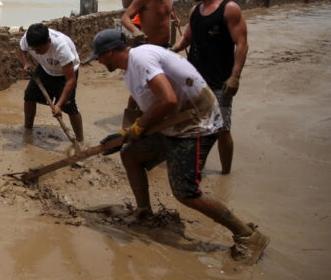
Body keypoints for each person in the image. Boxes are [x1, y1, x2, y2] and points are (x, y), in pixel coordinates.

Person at [85, 29, 268, 265]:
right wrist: (125, 135)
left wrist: (138, 129)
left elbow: (169, 99)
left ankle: (248, 235)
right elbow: (148, 105)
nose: (98, 61)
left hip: (196, 124)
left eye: (99, 57)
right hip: (173, 125)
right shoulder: (131, 70)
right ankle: (143, 211)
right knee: (130, 153)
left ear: (109, 52)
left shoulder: (140, 57)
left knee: (186, 192)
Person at [172, 0, 248, 175]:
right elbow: (187, 38)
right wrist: (172, 51)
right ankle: (196, 166)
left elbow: (241, 44)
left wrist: (235, 77)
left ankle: (225, 173)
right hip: (195, 80)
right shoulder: (195, 10)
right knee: (193, 125)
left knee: (222, 129)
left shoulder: (229, 9)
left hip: (220, 81)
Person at [17, 23, 83, 141]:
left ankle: (80, 140)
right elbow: (21, 50)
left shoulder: (61, 48)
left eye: (39, 49)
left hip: (66, 73)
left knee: (69, 106)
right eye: (33, 49)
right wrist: (26, 63)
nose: (36, 53)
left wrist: (58, 105)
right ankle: (28, 128)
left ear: (48, 41)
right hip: (45, 68)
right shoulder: (28, 38)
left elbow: (71, 80)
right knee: (29, 96)